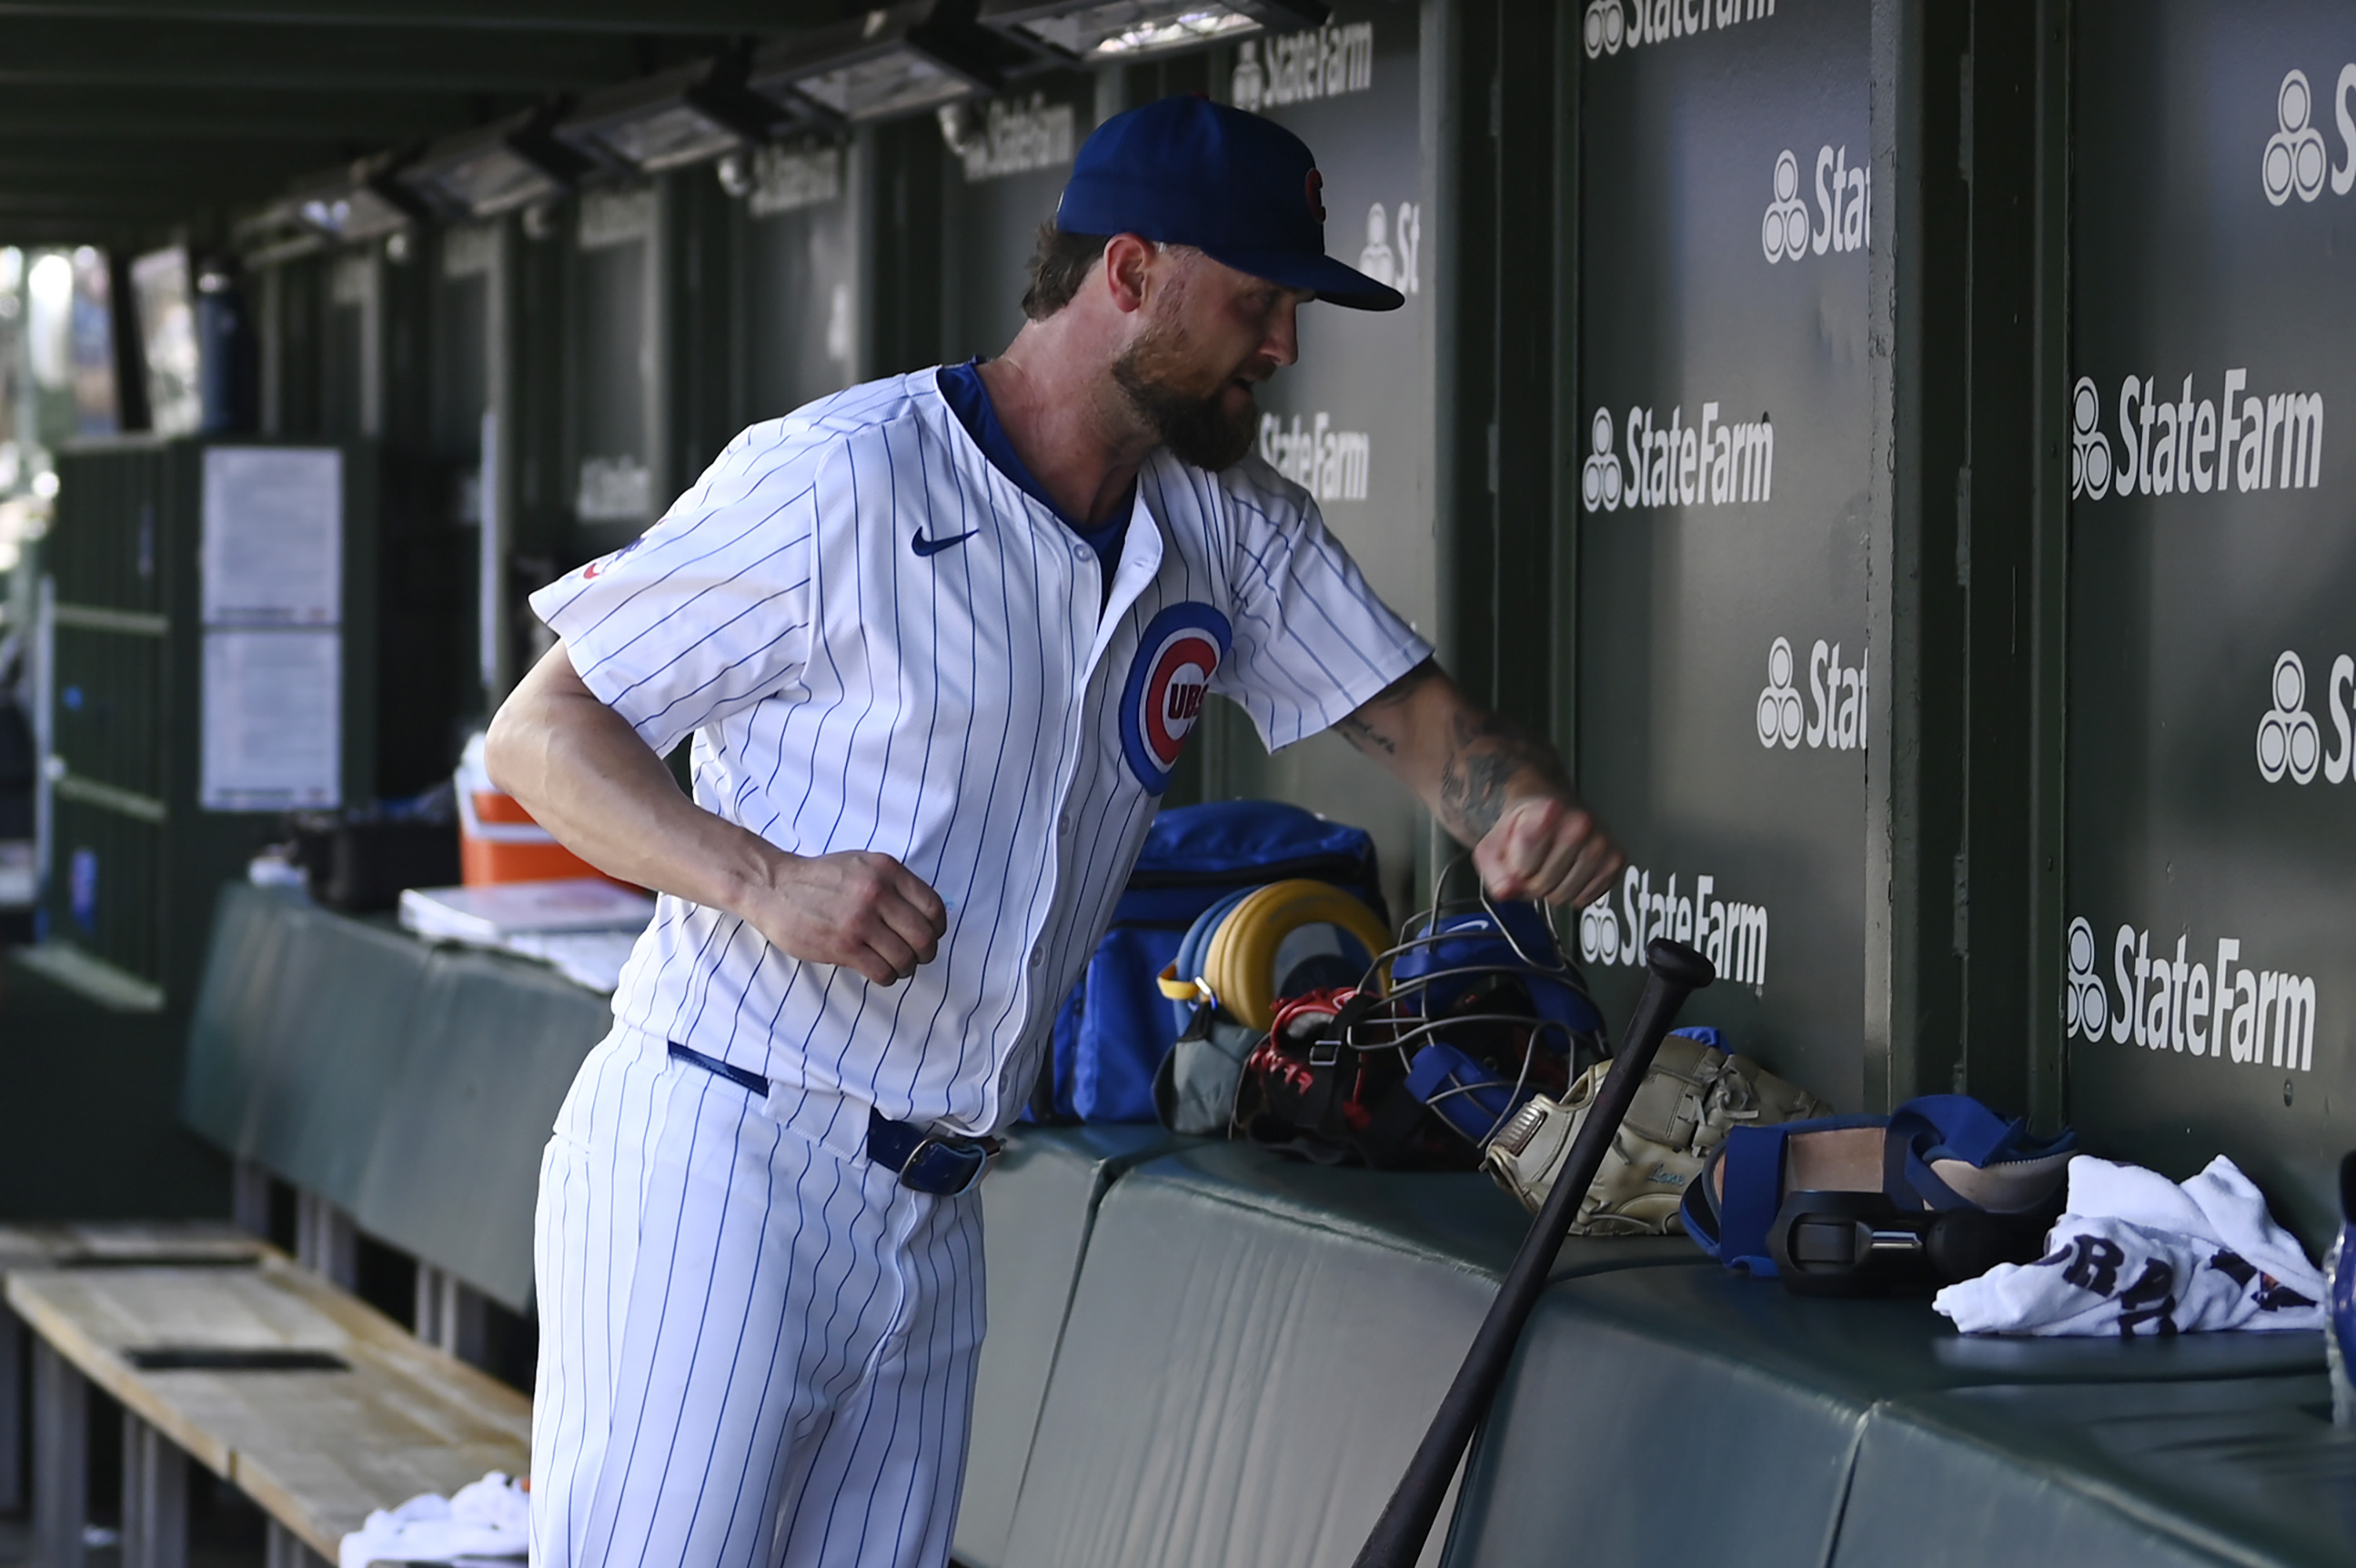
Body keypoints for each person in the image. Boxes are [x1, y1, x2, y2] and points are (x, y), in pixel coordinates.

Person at [485, 93, 1623, 1568]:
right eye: (1257, 301)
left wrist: (1516, 811)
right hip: (728, 1154)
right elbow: (541, 734)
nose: (1281, 346)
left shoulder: (1225, 525)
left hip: (941, 1203)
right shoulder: (845, 472)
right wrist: (759, 878)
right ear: (1130, 272)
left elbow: (1434, 742)